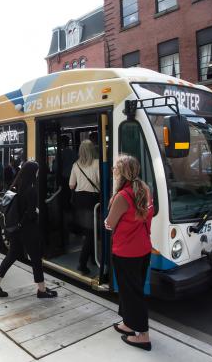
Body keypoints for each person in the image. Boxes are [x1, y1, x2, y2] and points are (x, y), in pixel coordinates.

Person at [104, 155, 154, 351]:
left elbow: (110, 223)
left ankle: (143, 336)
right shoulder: (145, 189)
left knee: (132, 292)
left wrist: (106, 222)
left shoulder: (122, 196)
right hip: (143, 248)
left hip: (126, 251)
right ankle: (128, 323)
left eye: (115, 169)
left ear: (121, 172)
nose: (113, 171)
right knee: (132, 288)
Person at [0, 161, 58, 299]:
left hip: (15, 228)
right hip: (27, 230)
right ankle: (42, 290)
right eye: (37, 170)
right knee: (36, 258)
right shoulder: (31, 189)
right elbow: (31, 214)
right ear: (33, 172)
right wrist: (36, 211)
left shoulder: (15, 185)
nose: (38, 173)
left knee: (12, 255)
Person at [69, 140, 100, 275]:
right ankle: (82, 263)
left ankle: (93, 258)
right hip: (92, 199)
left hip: (79, 199)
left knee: (88, 231)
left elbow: (71, 185)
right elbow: (100, 181)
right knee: (91, 232)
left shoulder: (75, 165)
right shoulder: (97, 163)